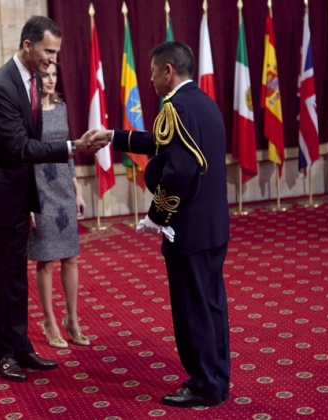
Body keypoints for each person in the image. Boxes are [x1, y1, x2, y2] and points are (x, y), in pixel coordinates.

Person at [0, 15, 106, 383]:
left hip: (15, 198)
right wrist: (74, 146)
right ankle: (1, 355)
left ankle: (20, 346)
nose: (52, 60)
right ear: (28, 45)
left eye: (56, 52)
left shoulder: (29, 82)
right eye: (48, 51)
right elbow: (18, 147)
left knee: (15, 280)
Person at [93, 41, 230, 408]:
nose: (150, 79)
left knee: (191, 308)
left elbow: (181, 168)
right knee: (211, 304)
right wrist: (115, 137)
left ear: (168, 70)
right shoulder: (202, 102)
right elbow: (166, 144)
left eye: (153, 71)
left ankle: (203, 385)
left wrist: (157, 214)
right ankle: (217, 377)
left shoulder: (175, 107)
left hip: (187, 228)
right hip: (213, 226)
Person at [28, 63, 90, 349]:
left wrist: (76, 191)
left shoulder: (62, 108)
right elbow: (24, 156)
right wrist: (26, 199)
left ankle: (72, 319)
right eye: (45, 75)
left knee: (71, 257)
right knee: (45, 259)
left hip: (63, 189)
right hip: (39, 190)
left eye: (54, 74)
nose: (51, 80)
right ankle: (49, 320)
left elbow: (68, 150)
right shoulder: (28, 111)